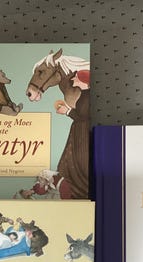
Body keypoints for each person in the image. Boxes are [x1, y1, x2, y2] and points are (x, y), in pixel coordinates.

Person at [55, 69, 90, 199]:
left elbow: (83, 117)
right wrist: (68, 110)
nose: (73, 79)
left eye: (76, 77)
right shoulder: (84, 95)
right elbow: (81, 114)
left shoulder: (88, 96)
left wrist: (67, 111)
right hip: (79, 132)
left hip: (83, 134)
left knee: (79, 161)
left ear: (83, 81)